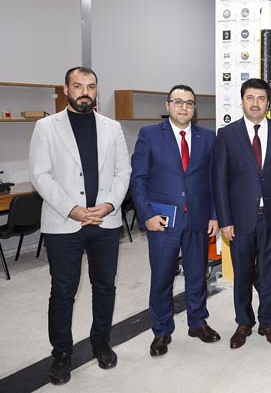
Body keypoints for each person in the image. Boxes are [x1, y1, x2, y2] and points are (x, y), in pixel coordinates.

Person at [29, 67, 131, 385]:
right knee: (63, 292)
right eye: (78, 86)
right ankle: (61, 353)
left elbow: (123, 172)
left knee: (105, 286)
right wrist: (72, 209)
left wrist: (110, 204)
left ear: (97, 90)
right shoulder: (46, 127)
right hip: (63, 223)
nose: (85, 92)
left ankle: (101, 342)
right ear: (66, 90)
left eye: (91, 86)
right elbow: (40, 174)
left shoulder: (112, 128)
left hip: (105, 221)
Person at [130, 84, 221, 357]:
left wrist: (215, 215)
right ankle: (161, 330)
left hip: (198, 219)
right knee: (161, 277)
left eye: (189, 103)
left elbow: (214, 181)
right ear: (168, 105)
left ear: (195, 108)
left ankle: (198, 322)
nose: (184, 107)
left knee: (197, 274)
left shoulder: (208, 138)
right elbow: (138, 179)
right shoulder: (149, 135)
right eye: (178, 102)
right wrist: (147, 215)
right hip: (162, 221)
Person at [212, 78, 271, 348]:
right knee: (243, 275)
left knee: (269, 274)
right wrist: (225, 220)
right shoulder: (227, 134)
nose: (255, 103)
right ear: (242, 101)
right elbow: (220, 180)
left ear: (268, 102)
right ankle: (244, 322)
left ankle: (267, 322)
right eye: (250, 98)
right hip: (239, 219)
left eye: (261, 98)